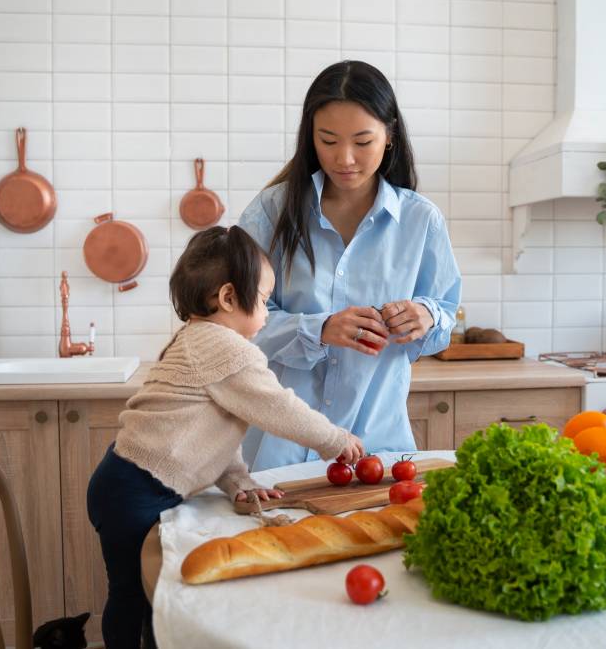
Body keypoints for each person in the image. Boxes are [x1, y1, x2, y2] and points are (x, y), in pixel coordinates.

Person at [86, 225, 364, 649]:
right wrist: (334, 440)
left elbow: (216, 434)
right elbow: (277, 406)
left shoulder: (199, 339)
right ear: (230, 298)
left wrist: (238, 481)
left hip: (128, 482)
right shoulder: (226, 348)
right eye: (265, 299)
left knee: (145, 595)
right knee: (132, 594)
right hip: (135, 488)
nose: (270, 311)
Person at [239, 60, 461, 471]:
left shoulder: (421, 221)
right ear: (310, 136)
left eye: (363, 142)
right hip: (280, 449)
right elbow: (234, 325)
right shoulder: (270, 213)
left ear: (390, 135)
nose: (345, 159)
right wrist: (318, 329)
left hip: (378, 448)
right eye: (328, 140)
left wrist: (425, 316)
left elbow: (445, 314)